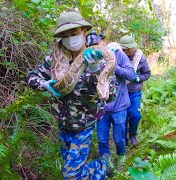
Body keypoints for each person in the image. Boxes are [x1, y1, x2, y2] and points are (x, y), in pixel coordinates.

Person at [27, 12, 113, 179]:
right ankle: (101, 165)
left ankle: (102, 165)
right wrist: (44, 84)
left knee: (71, 175)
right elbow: (31, 77)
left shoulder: (98, 59)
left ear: (84, 31)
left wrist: (96, 70)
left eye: (73, 34)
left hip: (84, 125)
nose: (70, 39)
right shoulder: (52, 59)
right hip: (63, 124)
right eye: (64, 36)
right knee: (72, 168)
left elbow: (111, 95)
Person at [86, 31, 135, 169]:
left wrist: (114, 67)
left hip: (119, 107)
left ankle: (121, 158)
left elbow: (131, 74)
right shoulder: (88, 60)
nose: (95, 47)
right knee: (102, 139)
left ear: (104, 42)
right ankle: (107, 165)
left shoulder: (118, 54)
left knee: (119, 139)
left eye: (97, 44)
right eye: (92, 45)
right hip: (101, 109)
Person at [118, 35, 151, 147]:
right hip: (121, 92)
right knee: (124, 116)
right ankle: (124, 139)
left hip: (134, 91)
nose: (127, 51)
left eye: (128, 49)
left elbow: (147, 73)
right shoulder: (119, 57)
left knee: (135, 115)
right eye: (124, 49)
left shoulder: (140, 58)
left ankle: (133, 134)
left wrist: (138, 78)